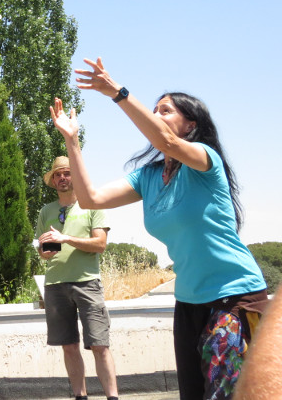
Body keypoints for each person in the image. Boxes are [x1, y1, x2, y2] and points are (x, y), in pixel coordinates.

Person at [50, 57, 267, 399]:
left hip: (234, 298)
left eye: (164, 110)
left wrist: (117, 93)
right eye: (154, 110)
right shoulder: (148, 176)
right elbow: (90, 198)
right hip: (189, 303)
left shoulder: (204, 160)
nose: (155, 116)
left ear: (190, 124)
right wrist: (72, 141)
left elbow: (167, 143)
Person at [36, 156, 119, 400]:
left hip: (87, 282)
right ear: (53, 180)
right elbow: (45, 253)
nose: (63, 177)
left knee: (99, 345)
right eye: (58, 174)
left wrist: (67, 239)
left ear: (76, 177)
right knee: (68, 346)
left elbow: (100, 244)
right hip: (55, 286)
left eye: (67, 173)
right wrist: (46, 251)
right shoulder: (46, 211)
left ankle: (112, 397)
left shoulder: (91, 205)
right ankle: (79, 396)